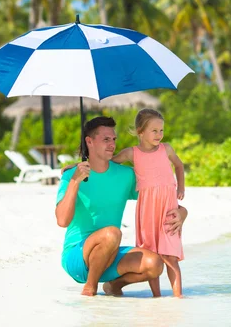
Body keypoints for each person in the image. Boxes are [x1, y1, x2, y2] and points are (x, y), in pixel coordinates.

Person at [55, 116, 187, 297]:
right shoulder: (71, 175)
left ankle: (114, 286)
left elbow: (159, 199)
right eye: (106, 139)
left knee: (155, 264)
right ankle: (90, 288)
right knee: (112, 233)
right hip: (77, 257)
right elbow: (62, 220)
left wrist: (182, 213)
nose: (112, 144)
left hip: (110, 256)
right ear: (89, 141)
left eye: (114, 139)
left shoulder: (126, 175)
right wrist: (75, 181)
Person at [112, 108, 185, 297]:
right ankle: (157, 297)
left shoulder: (166, 149)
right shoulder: (131, 153)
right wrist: (79, 165)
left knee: (170, 256)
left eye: (161, 130)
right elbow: (109, 163)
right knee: (151, 253)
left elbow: (179, 165)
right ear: (140, 131)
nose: (159, 135)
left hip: (168, 208)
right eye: (154, 130)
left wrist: (181, 188)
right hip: (147, 210)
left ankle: (179, 297)